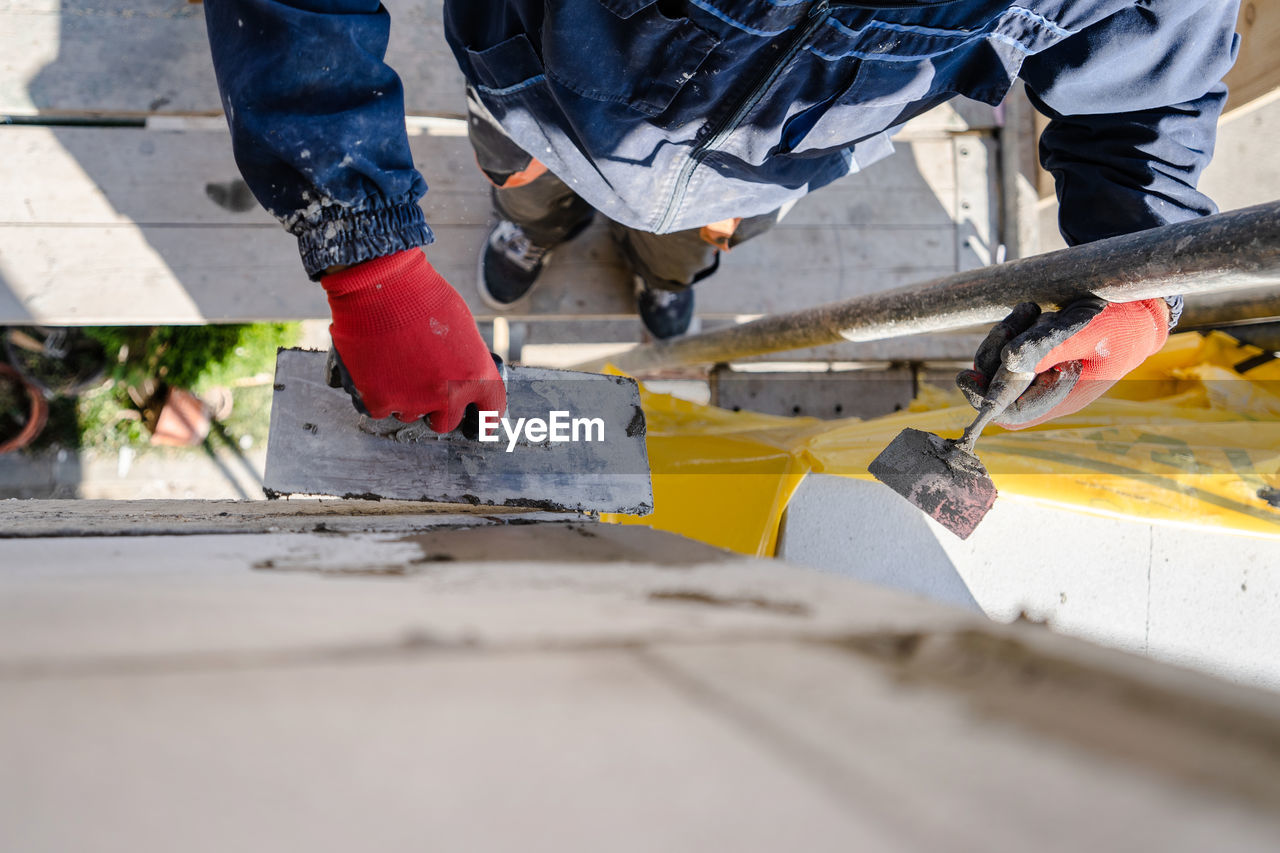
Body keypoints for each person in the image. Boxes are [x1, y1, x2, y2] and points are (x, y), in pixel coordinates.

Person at [203, 0, 1238, 433]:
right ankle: (537, 224)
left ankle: (669, 270)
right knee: (522, 180)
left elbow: (1150, 77)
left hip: (768, 172)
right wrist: (367, 254)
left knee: (686, 244)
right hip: (531, 103)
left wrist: (1137, 272)